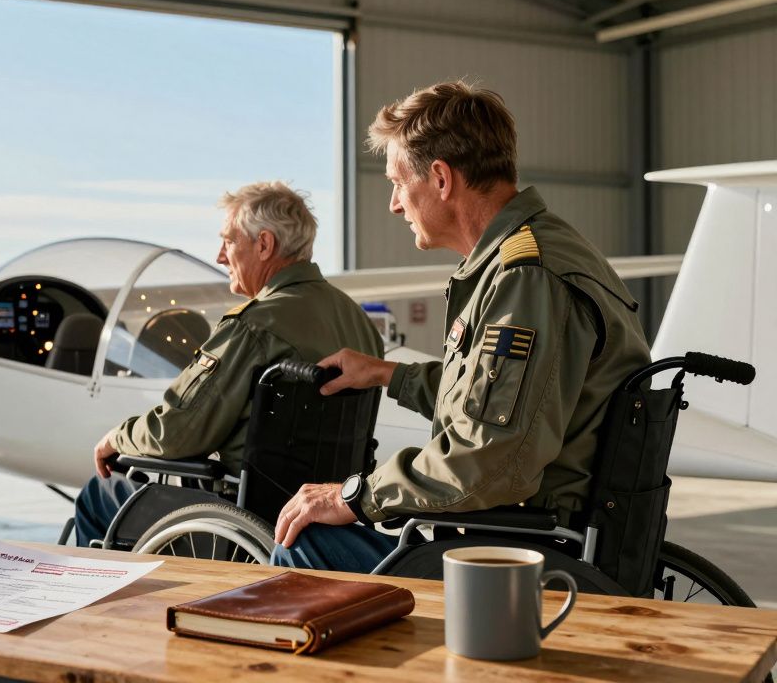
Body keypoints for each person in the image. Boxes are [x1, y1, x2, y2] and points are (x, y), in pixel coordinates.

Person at [271, 81, 651, 571]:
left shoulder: (524, 277)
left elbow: (486, 461)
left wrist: (356, 494)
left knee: (304, 536)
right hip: (537, 531)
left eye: (396, 183)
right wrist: (386, 374)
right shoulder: (540, 250)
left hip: (514, 552)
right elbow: (496, 405)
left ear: (441, 179)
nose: (394, 204)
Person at [74, 181, 384, 546]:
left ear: (264, 245)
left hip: (247, 519)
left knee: (99, 493)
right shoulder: (361, 325)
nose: (221, 256)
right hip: (328, 517)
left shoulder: (253, 325)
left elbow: (177, 432)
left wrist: (117, 436)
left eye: (229, 241)